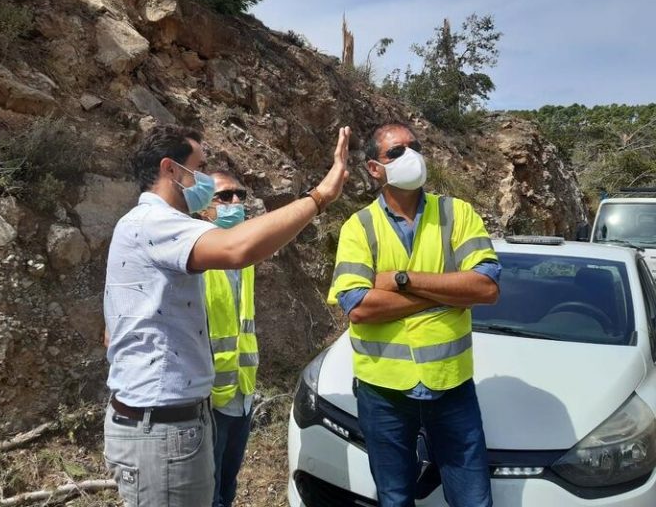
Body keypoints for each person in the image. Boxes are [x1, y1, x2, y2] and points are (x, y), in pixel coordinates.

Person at [104, 123, 350, 507]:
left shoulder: (148, 226)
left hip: (180, 418)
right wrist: (320, 197)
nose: (203, 179)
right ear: (170, 169)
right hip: (162, 427)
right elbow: (239, 247)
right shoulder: (154, 223)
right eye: (198, 168)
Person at [327, 123, 500, 507]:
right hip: (384, 392)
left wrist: (402, 280)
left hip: (451, 387)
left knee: (473, 499)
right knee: (394, 498)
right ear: (375, 168)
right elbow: (359, 307)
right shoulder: (359, 227)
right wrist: (445, 295)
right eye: (397, 152)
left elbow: (486, 288)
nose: (411, 156)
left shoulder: (457, 213)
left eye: (415, 146)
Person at [197, 171, 257, 507]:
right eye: (224, 196)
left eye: (240, 195)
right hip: (208, 398)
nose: (236, 202)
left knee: (228, 483)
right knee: (209, 490)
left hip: (241, 390)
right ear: (203, 207)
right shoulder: (196, 257)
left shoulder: (243, 258)